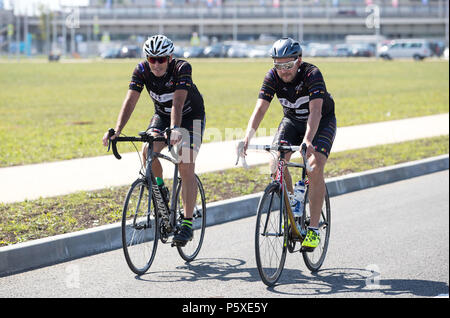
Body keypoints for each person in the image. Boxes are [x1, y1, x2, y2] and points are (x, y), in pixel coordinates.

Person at [102, 34, 206, 246]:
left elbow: (178, 101)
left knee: (185, 163)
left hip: (190, 116)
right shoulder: (141, 70)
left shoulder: (182, 68)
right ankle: (160, 190)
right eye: (152, 59)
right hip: (162, 115)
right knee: (147, 151)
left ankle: (186, 223)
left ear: (170, 57)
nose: (156, 64)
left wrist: (175, 129)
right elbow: (130, 99)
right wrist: (118, 130)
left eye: (161, 59)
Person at [241, 37, 337, 250]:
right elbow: (261, 108)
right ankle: (293, 202)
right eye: (278, 65)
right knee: (276, 162)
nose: (283, 71)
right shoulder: (272, 77)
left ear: (299, 60)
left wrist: (308, 140)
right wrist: (248, 136)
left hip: (320, 122)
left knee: (313, 165)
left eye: (288, 65)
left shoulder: (312, 74)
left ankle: (312, 229)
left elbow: (315, 111)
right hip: (293, 122)